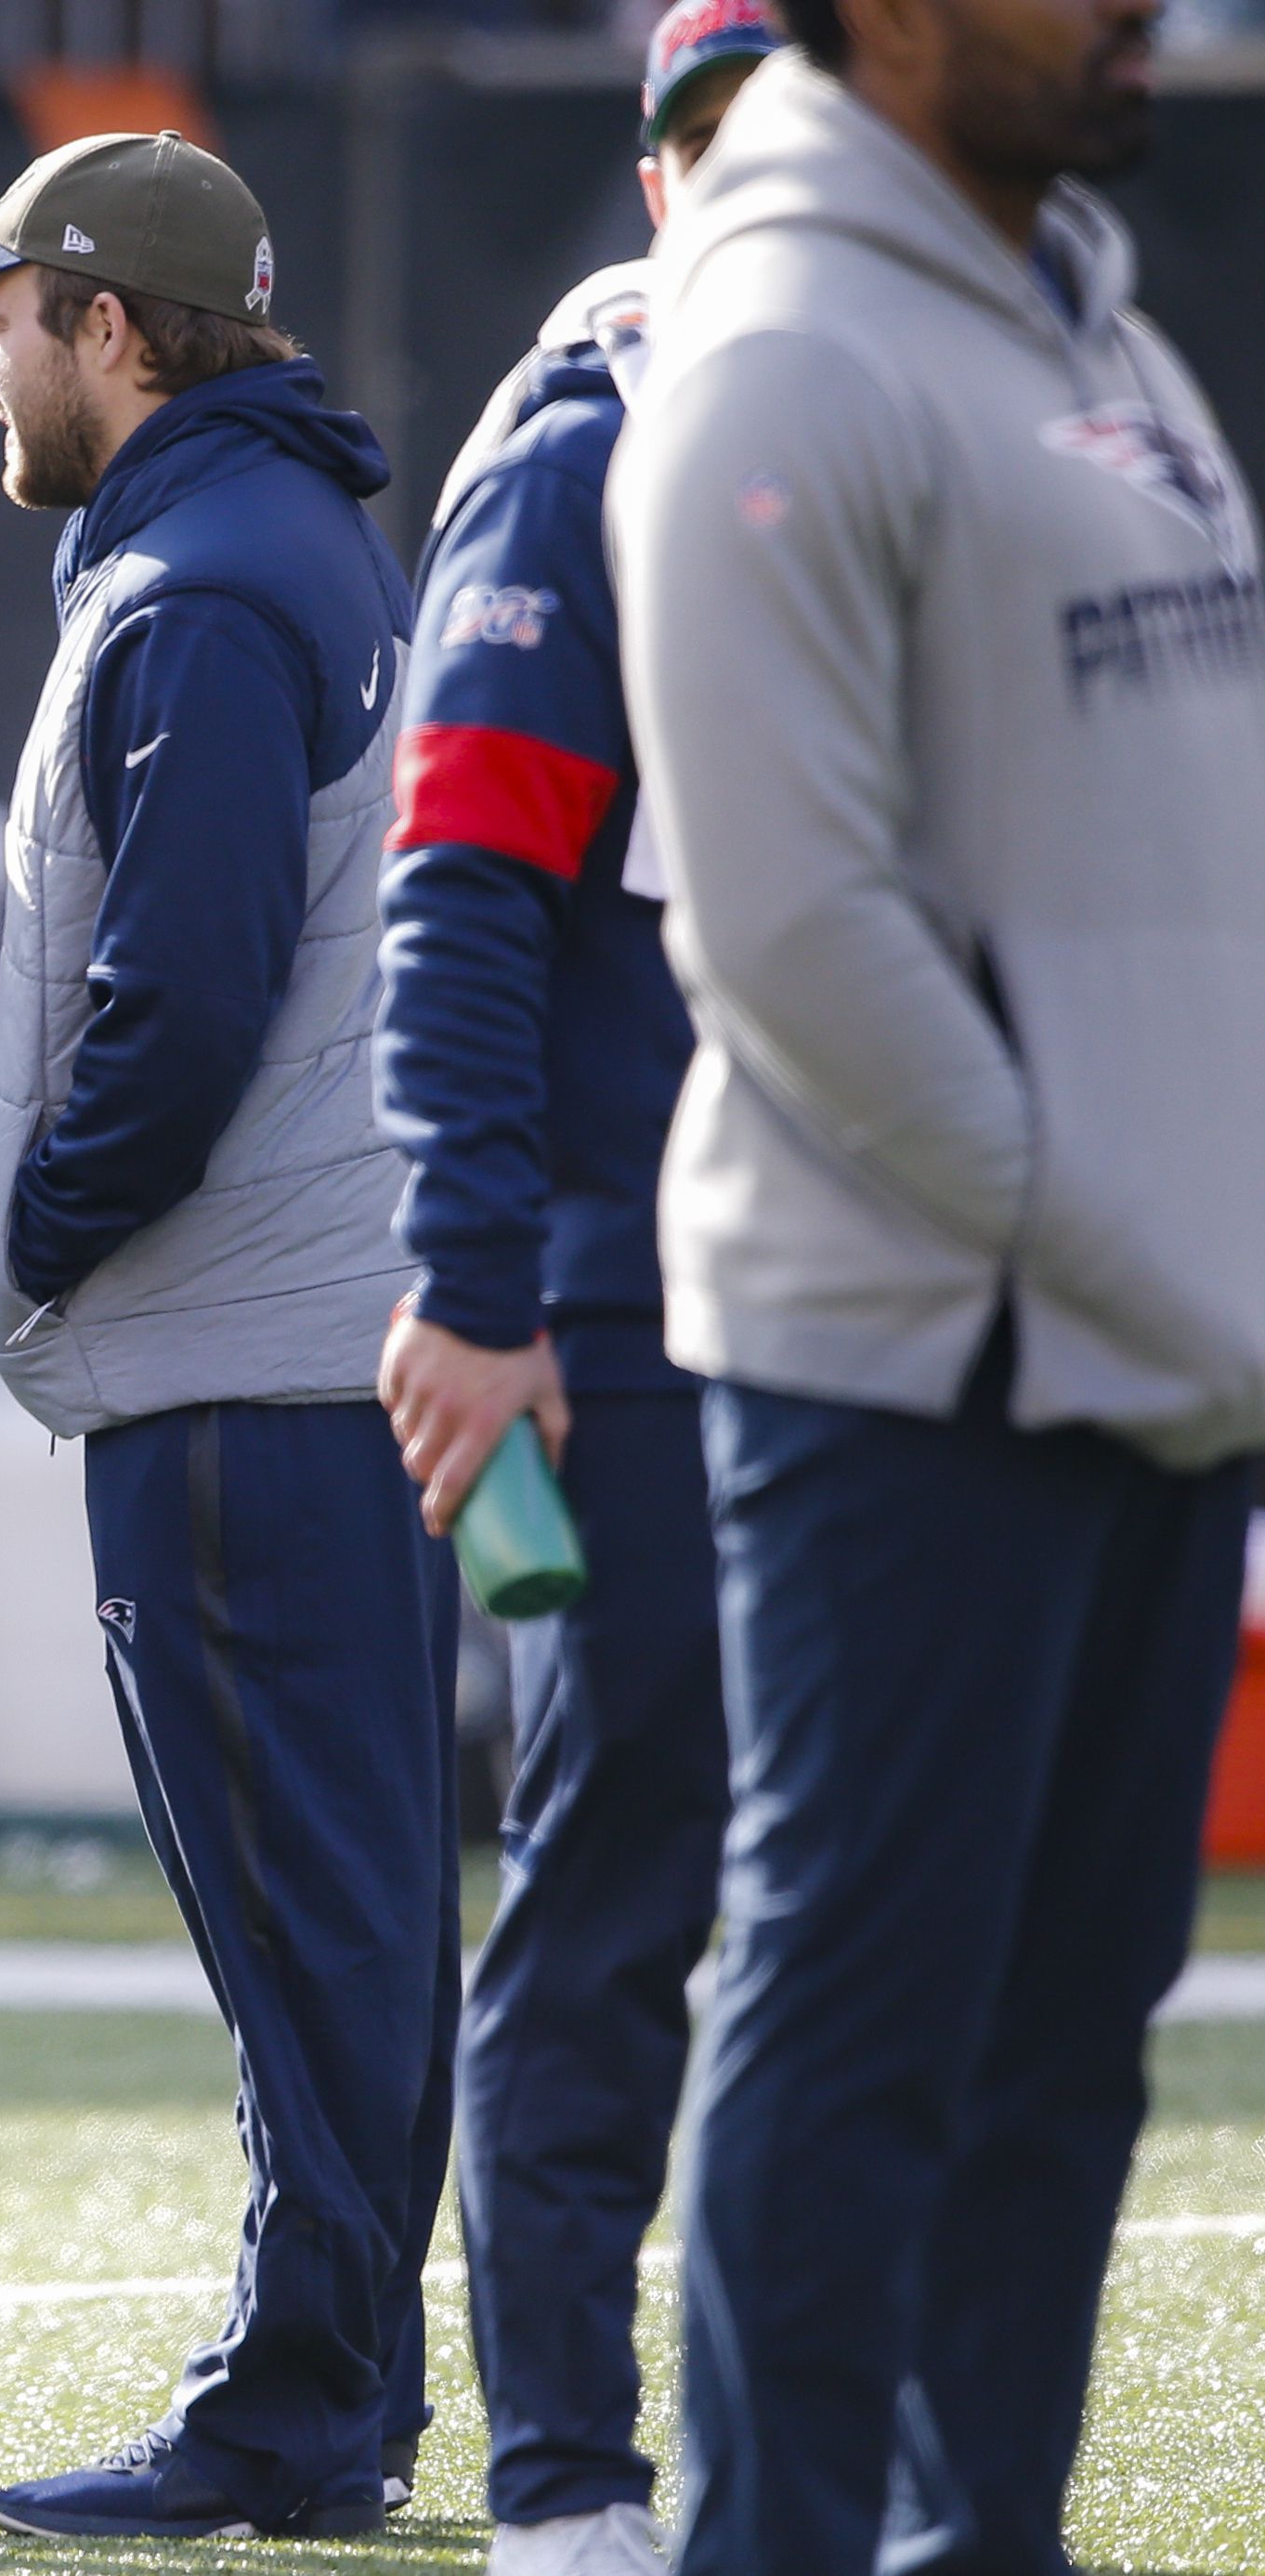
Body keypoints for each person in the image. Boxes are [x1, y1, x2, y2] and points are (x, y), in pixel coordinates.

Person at [606, 0, 1265, 2560]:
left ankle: (975, 2535)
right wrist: (1128, 1245)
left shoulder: (1100, 324)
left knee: (1065, 2045)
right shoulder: (773, 343)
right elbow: (786, 932)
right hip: (914, 1353)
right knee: (866, 2027)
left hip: (1159, 1342)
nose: (1131, 9)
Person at [0, 132, 453, 2540]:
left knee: (313, 1920)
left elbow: (181, 996)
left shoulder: (203, 580)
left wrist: (42, 1231)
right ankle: (331, 2385)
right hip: (327, 1335)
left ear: (112, 329)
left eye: (3, 317)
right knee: (356, 1907)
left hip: (244, 1351)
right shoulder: (274, 535)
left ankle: (303, 2406)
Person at [370, 9, 771, 2570]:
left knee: (880, 1911)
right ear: (650, 179)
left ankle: (816, 2455)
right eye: (726, 138)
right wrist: (476, 1276)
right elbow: (465, 896)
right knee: (616, 1897)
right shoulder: (596, 440)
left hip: (890, 1292)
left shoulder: (943, 426)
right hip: (633, 1306)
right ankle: (566, 2473)